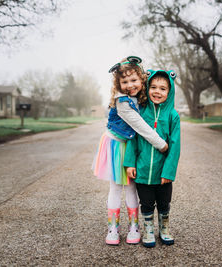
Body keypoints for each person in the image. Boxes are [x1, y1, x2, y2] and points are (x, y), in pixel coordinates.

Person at [92, 57, 168, 246]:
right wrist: (161, 144)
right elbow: (140, 126)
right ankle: (113, 229)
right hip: (117, 145)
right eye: (124, 82)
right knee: (116, 187)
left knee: (133, 187)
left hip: (132, 146)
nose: (130, 85)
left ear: (142, 79)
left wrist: (132, 65)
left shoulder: (141, 95)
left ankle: (134, 227)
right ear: (118, 85)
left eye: (134, 80)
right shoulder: (122, 102)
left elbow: (147, 76)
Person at [124, 69, 180, 248]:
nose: (157, 91)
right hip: (142, 171)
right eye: (153, 87)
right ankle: (148, 229)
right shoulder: (140, 113)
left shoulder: (173, 116)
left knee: (164, 203)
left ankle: (164, 228)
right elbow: (132, 139)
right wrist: (130, 163)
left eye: (163, 89)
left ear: (169, 92)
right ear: (147, 88)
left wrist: (169, 171)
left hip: (163, 172)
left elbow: (175, 146)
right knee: (146, 203)